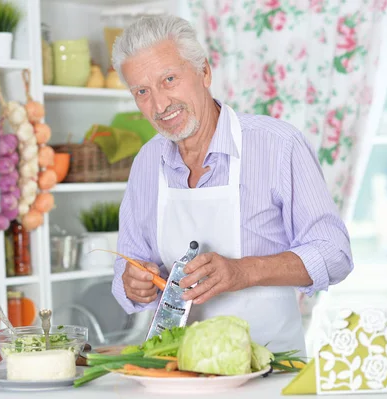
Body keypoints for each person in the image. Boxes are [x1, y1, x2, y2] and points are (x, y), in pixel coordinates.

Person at [110, 14, 353, 356]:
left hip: (271, 371)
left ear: (204, 72)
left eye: (169, 79)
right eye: (142, 91)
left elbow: (335, 253)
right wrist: (133, 284)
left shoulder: (278, 145)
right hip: (177, 371)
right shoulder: (147, 163)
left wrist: (244, 271)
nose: (160, 104)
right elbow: (127, 265)